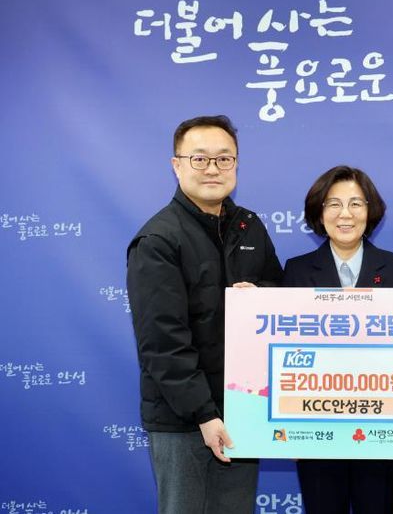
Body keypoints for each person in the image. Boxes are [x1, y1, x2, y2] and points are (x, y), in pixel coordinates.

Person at [126, 115, 283, 514]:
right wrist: (205, 415)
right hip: (184, 420)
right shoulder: (158, 240)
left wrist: (261, 296)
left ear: (236, 164)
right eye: (200, 158)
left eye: (224, 158)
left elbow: (279, 294)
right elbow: (162, 342)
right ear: (176, 165)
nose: (213, 168)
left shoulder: (249, 225)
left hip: (244, 411)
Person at [282, 166, 393, 514]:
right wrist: (288, 427)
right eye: (334, 204)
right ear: (319, 212)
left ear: (370, 211)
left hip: (382, 427)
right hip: (316, 428)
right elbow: (282, 354)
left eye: (356, 203)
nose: (345, 214)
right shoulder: (296, 271)